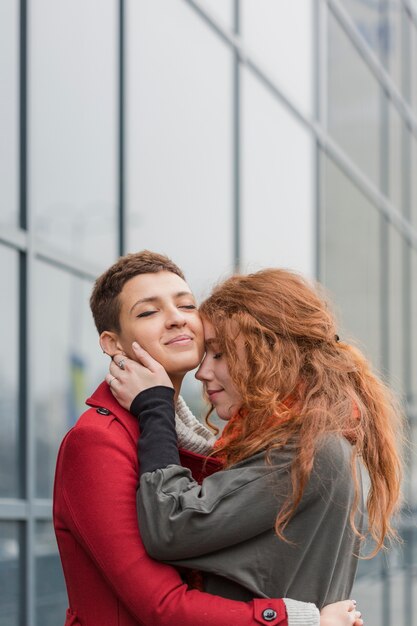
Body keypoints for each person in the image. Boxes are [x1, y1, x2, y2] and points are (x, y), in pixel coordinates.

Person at [54, 251, 362, 626]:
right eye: (148, 312)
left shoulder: (212, 442)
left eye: (186, 305)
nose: (176, 318)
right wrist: (305, 620)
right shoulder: (97, 441)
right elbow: (160, 604)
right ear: (114, 343)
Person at [107, 266, 403, 611]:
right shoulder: (309, 437)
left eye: (219, 354)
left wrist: (155, 408)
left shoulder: (303, 447)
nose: (202, 371)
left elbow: (172, 527)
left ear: (270, 356)